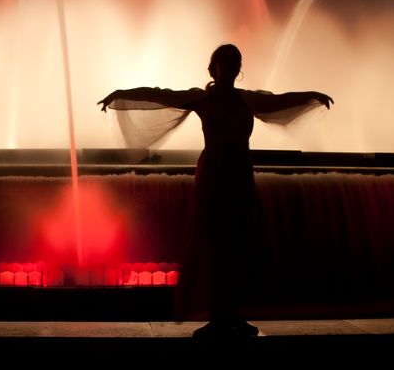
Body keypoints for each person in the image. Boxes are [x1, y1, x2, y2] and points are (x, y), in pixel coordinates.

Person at [98, 44, 332, 338]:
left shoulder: (247, 99)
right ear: (214, 68)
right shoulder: (203, 97)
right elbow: (160, 94)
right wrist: (120, 95)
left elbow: (279, 101)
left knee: (237, 246)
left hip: (240, 174)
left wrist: (312, 96)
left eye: (235, 62)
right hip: (214, 176)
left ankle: (232, 314)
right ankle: (217, 317)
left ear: (238, 69)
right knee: (216, 245)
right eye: (225, 62)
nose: (230, 67)